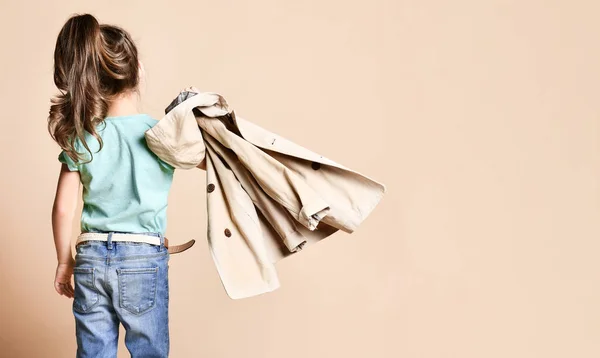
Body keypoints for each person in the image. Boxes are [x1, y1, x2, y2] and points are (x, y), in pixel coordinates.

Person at [48, 13, 182, 357]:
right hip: (142, 256)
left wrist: (65, 261)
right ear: (135, 74)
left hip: (91, 257)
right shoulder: (162, 135)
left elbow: (63, 207)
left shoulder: (84, 137)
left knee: (93, 352)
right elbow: (214, 162)